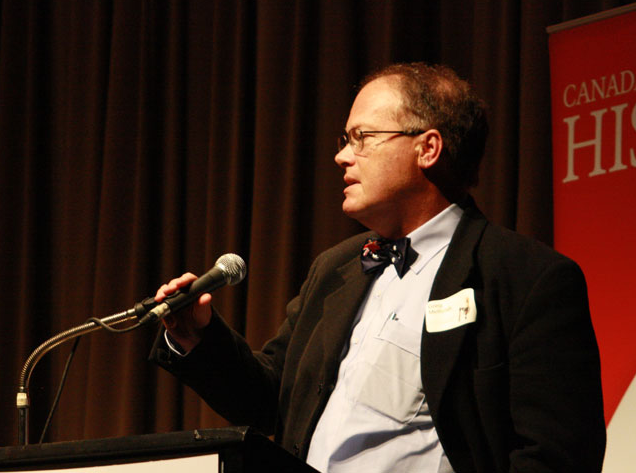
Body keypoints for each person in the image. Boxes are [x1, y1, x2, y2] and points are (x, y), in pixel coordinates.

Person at [149, 62, 606, 472]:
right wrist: (198, 337)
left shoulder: (526, 278)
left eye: (361, 138)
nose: (342, 156)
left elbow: (557, 455)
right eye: (345, 140)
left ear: (427, 148)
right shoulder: (335, 269)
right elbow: (270, 402)